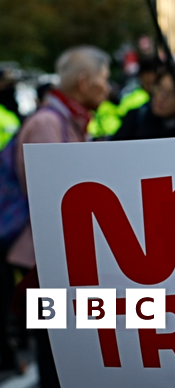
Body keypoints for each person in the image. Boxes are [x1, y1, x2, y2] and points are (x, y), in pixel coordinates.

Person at [12, 46, 111, 387]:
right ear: (84, 83)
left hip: (58, 258)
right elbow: (47, 200)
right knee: (55, 348)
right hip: (44, 261)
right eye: (104, 80)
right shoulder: (47, 124)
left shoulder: (66, 120)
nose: (108, 88)